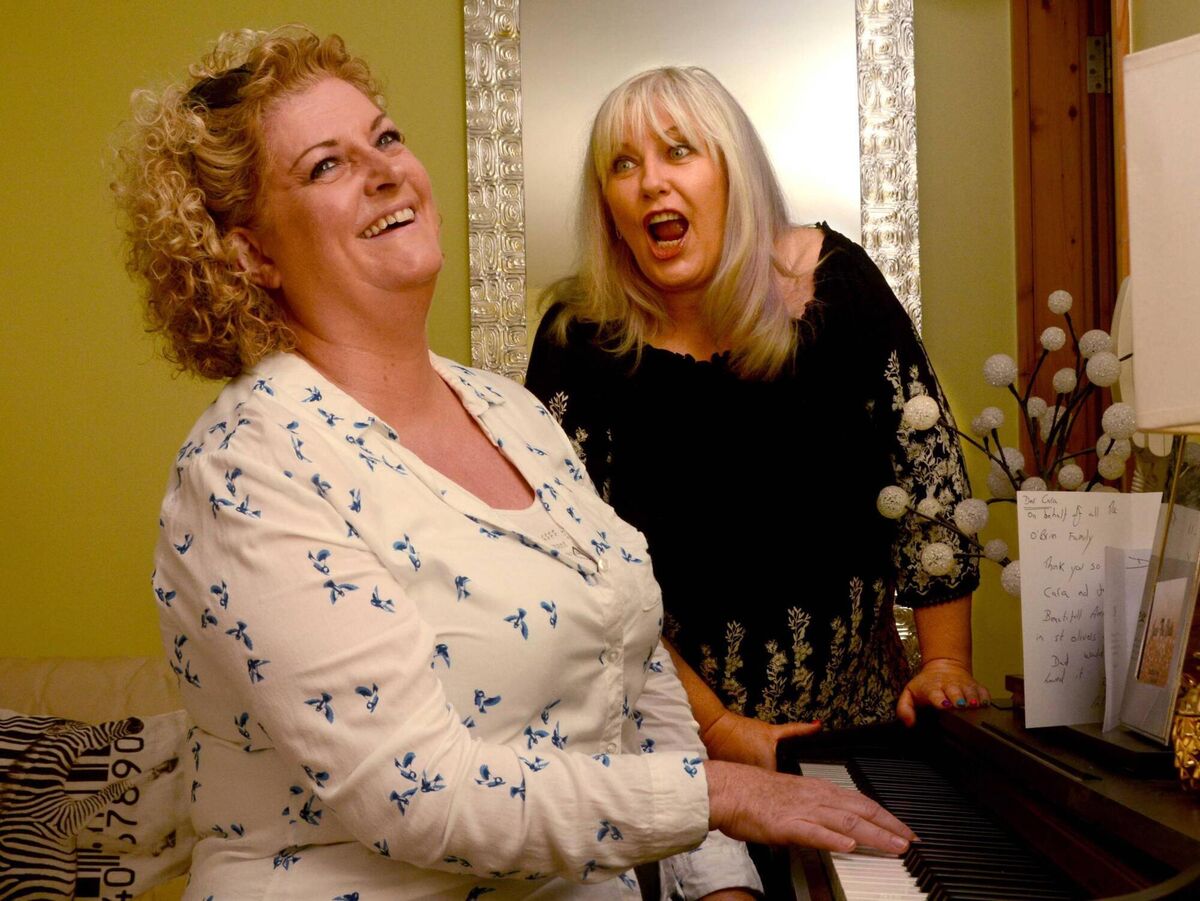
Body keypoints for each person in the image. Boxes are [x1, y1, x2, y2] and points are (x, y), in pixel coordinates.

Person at [113, 29, 914, 900]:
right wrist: (727, 796)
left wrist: (723, 884)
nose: (385, 171)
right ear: (249, 253)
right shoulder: (247, 470)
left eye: (384, 138)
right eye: (325, 166)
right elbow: (421, 796)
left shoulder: (512, 413)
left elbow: (634, 673)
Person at [525, 66, 991, 772]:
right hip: (669, 758)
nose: (650, 181)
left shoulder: (838, 286)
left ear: (732, 171)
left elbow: (928, 480)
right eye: (623, 164)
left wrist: (946, 660)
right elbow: (573, 568)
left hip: (859, 745)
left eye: (678, 151)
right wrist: (716, 729)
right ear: (608, 206)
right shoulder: (577, 342)